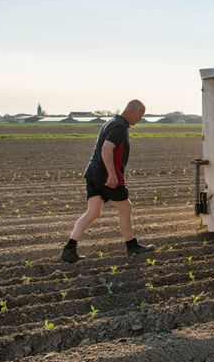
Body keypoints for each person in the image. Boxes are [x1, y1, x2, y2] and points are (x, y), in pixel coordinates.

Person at [60, 99, 154, 263]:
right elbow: (106, 148)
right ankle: (132, 247)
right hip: (105, 175)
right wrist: (112, 175)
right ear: (131, 111)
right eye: (139, 116)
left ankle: (69, 249)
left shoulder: (111, 122)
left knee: (93, 212)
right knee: (126, 208)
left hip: (93, 173)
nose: (139, 120)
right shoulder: (119, 126)